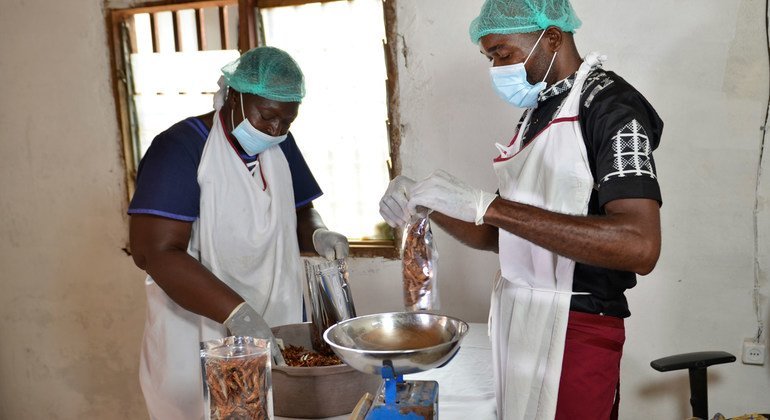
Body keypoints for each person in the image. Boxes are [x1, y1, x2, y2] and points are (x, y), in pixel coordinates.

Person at [379, 0, 663, 419]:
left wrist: (489, 206)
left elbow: (640, 246)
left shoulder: (611, 109)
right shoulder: (536, 113)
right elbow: (503, 233)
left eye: (503, 54)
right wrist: (433, 203)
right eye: (490, 57)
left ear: (551, 38)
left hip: (577, 324)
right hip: (520, 317)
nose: (496, 69)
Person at [128, 46, 349, 420]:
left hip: (274, 320)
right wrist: (238, 315)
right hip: (195, 332)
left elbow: (300, 210)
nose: (276, 129)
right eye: (266, 116)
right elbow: (154, 252)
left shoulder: (278, 145)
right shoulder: (181, 148)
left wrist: (318, 234)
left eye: (287, 121)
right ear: (234, 95)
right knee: (208, 409)